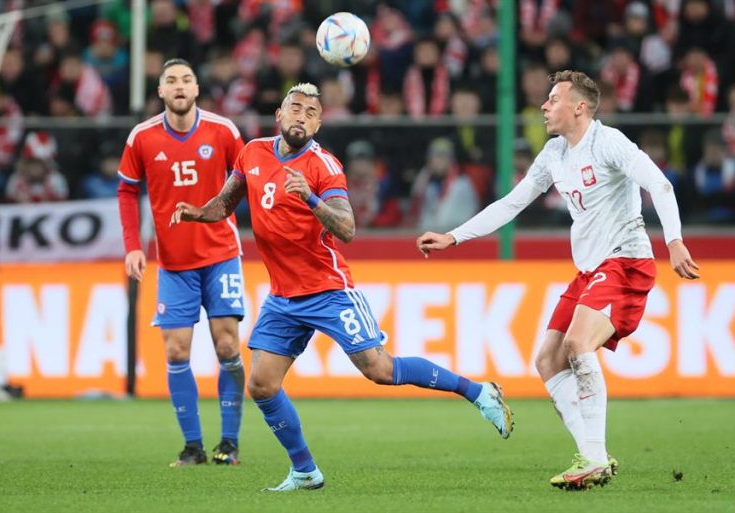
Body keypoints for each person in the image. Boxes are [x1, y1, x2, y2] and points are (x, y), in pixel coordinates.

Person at [170, 83, 513, 491]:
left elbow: (347, 229)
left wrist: (312, 199)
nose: (301, 115)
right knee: (261, 383)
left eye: (311, 112)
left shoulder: (323, 166)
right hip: (283, 297)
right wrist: (197, 213)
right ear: (278, 115)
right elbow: (226, 204)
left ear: (318, 123)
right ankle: (304, 471)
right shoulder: (252, 153)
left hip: (329, 289)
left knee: (380, 370)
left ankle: (479, 393)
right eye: (294, 108)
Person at [416, 70, 700, 490]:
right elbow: (512, 202)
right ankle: (593, 454)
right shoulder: (553, 153)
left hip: (626, 262)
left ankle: (593, 455)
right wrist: (455, 236)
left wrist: (673, 240)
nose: (545, 106)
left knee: (577, 344)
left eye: (553, 99)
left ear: (579, 107)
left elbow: (659, 183)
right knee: (547, 360)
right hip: (589, 271)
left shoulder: (609, 143)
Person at [117, 58, 246, 467]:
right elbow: (126, 192)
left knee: (226, 344)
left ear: (197, 89)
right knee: (176, 352)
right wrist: (133, 245)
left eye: (186, 79)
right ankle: (193, 447)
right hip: (173, 263)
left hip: (221, 255)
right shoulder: (142, 138)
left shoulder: (223, 131)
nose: (179, 86)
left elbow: (247, 178)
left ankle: (230, 443)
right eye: (171, 80)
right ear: (160, 91)